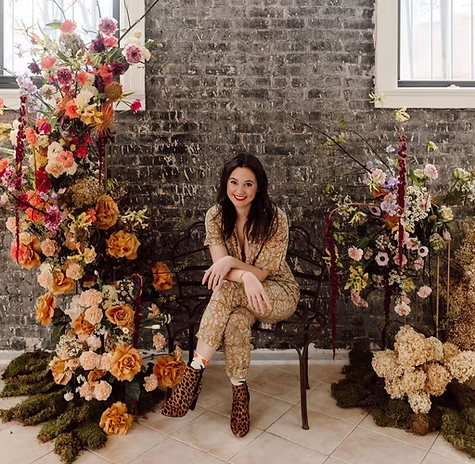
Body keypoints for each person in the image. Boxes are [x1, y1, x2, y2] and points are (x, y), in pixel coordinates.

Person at [160, 153, 299, 437]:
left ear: (259, 187)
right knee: (234, 319)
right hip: (240, 293)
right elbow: (231, 274)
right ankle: (240, 394)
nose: (240, 190)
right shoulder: (215, 215)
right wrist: (241, 273)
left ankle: (193, 374)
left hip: (278, 292)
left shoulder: (275, 218)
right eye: (234, 182)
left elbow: (261, 274)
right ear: (225, 183)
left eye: (248, 184)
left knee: (227, 289)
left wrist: (231, 264)